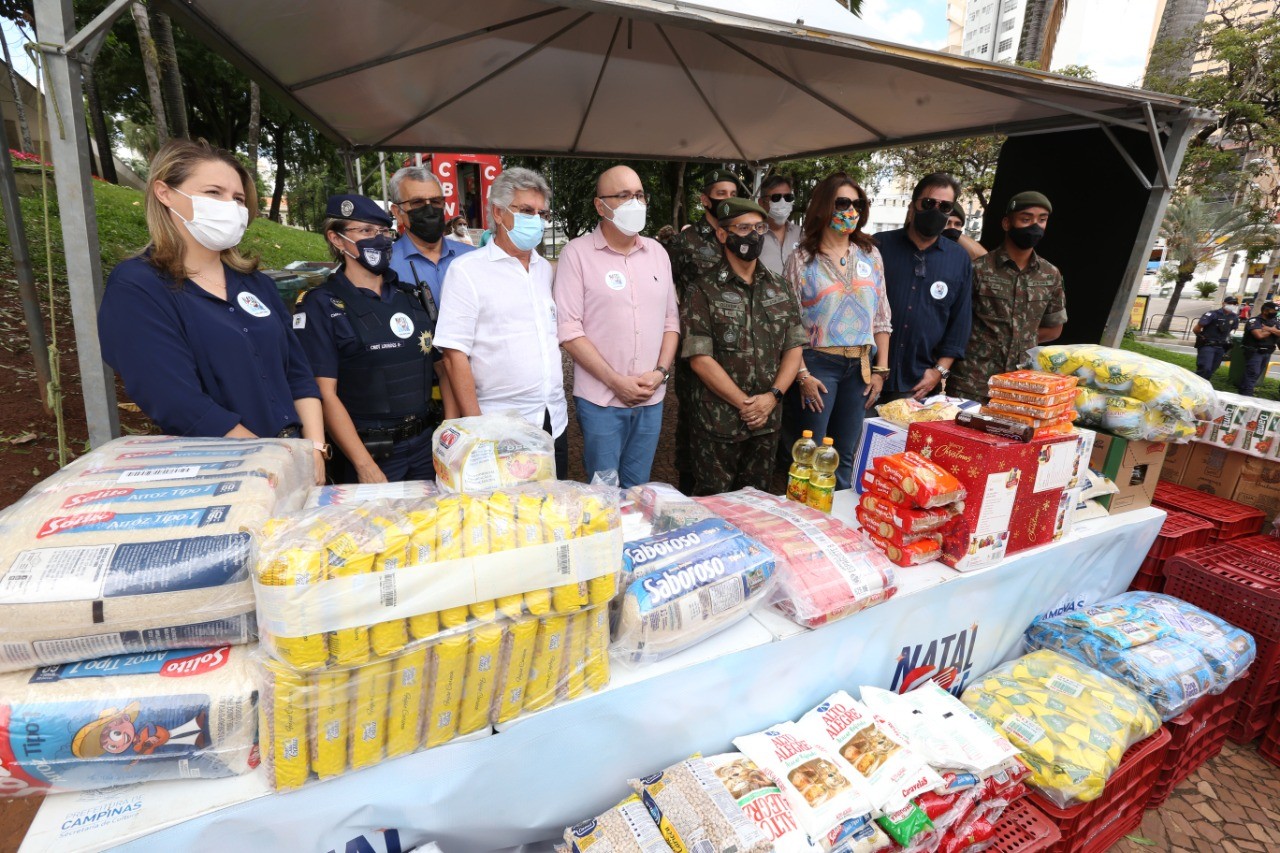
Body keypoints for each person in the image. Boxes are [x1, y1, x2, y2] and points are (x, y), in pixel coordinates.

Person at [98, 139, 326, 485]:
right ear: (165, 193)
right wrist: (275, 464)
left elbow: (298, 373)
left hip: (296, 460)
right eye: (213, 193)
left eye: (237, 198)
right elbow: (177, 402)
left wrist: (314, 452)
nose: (230, 207)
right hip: (224, 475)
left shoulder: (256, 284)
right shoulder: (138, 287)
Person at [293, 194, 444, 483]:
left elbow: (442, 367)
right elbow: (324, 393)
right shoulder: (322, 305)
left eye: (384, 232)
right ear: (337, 239)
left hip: (427, 448)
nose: (379, 239)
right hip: (372, 454)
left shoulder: (411, 297)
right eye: (365, 231)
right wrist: (363, 464)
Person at [435, 167, 570, 478]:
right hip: (499, 429)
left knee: (552, 512)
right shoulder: (467, 271)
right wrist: (478, 431)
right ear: (498, 213)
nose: (535, 219)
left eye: (540, 212)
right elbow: (454, 356)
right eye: (525, 210)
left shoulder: (541, 269)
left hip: (552, 422)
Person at [555, 166, 680, 487]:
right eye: (624, 196)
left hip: (651, 397)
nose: (634, 203)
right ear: (601, 205)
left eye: (639, 195)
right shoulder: (577, 254)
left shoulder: (658, 253)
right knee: (603, 492)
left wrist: (661, 373)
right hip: (601, 401)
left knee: (638, 489)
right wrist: (615, 382)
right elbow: (569, 329)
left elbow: (671, 321)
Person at [680, 198, 807, 496]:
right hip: (718, 424)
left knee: (757, 502)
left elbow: (794, 347)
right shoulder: (702, 289)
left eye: (759, 228)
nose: (753, 235)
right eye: (743, 227)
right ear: (723, 235)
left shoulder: (780, 286)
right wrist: (746, 404)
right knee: (714, 504)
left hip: (767, 422)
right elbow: (700, 358)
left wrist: (772, 398)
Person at [782, 173, 892, 491]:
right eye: (842, 203)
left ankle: (837, 522)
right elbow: (791, 323)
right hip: (818, 365)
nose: (851, 210)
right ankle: (806, 523)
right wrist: (801, 375)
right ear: (824, 206)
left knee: (845, 453)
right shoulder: (802, 259)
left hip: (860, 366)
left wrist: (881, 370)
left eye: (857, 204)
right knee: (811, 452)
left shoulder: (871, 255)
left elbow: (882, 315)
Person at [664, 168, 745, 492]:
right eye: (719, 194)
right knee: (693, 427)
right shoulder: (685, 243)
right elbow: (664, 288)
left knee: (734, 418)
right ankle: (689, 491)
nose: (726, 200)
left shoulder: (741, 236)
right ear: (704, 199)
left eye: (731, 194)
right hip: (698, 351)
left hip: (739, 350)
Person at [948, 192, 1067, 403]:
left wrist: (1018, 340)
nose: (1034, 226)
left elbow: (1054, 329)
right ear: (1006, 223)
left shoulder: (1050, 274)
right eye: (1026, 219)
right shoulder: (978, 269)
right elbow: (955, 324)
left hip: (1020, 386)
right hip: (972, 384)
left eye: (1042, 219)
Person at [874, 173, 974, 403]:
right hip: (867, 376)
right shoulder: (878, 246)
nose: (935, 211)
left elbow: (960, 323)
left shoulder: (959, 259)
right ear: (913, 205)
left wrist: (939, 371)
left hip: (918, 381)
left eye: (944, 206)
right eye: (928, 203)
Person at [387, 166, 475, 311]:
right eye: (417, 203)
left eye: (435, 201)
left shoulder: (471, 256)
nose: (429, 209)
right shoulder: (386, 266)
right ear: (397, 212)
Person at [759, 173, 803, 276]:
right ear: (761, 202)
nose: (783, 202)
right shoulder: (753, 236)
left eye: (788, 197)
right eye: (776, 197)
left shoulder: (802, 235)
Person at [1191, 295, 1241, 380]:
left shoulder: (1234, 317)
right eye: (1230, 303)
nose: (1232, 305)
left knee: (1212, 370)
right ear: (1223, 303)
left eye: (1234, 304)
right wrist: (1202, 337)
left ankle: (1203, 387)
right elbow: (1196, 329)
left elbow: (1230, 330)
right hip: (1208, 345)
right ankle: (1191, 382)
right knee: (1205, 368)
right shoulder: (1212, 314)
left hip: (1221, 347)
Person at [1238, 300, 1279, 396]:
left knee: (1257, 373)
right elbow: (1259, 335)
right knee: (1253, 372)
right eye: (1273, 311)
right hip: (1255, 351)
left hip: (1267, 352)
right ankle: (1247, 394)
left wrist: (1269, 329)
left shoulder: (1274, 322)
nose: (1275, 313)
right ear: (1265, 311)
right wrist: (1274, 330)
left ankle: (1243, 390)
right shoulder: (1254, 321)